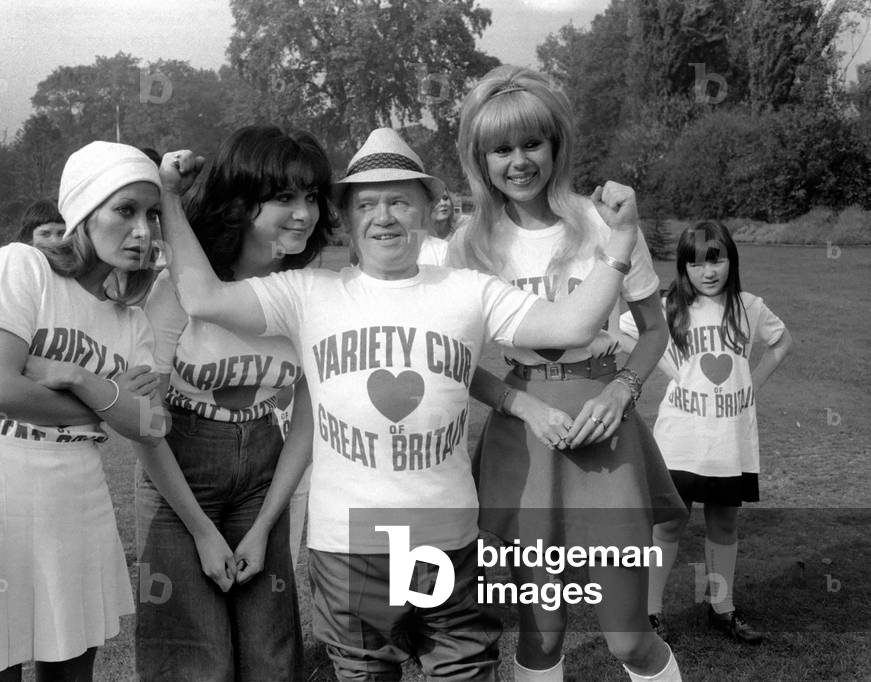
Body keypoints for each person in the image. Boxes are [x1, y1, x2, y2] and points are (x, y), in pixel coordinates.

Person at [158, 126, 642, 681]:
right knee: (365, 674)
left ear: (430, 209)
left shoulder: (468, 290)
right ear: (344, 216)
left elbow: (573, 323)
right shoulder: (307, 292)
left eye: (399, 201)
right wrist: (171, 199)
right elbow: (202, 296)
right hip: (349, 549)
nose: (383, 217)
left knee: (463, 671)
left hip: (447, 541)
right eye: (366, 203)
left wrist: (621, 242)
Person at [450, 65, 686, 682]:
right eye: (501, 148)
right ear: (481, 159)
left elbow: (654, 330)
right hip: (526, 437)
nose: (519, 161)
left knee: (628, 637)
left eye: (532, 143)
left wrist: (622, 389)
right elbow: (456, 362)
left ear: (556, 144)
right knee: (541, 633)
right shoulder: (469, 244)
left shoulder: (607, 223)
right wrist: (519, 405)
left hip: (607, 433)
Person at [0, 141, 169, 681]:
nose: (144, 231)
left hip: (78, 499)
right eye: (126, 210)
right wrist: (108, 404)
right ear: (84, 212)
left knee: (70, 668)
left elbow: (154, 427)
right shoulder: (23, 267)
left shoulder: (130, 321)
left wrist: (78, 378)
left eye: (152, 214)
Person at [132, 125, 334, 680]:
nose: (304, 213)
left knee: (271, 654)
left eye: (311, 197)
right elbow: (145, 423)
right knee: (196, 656)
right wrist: (200, 531)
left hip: (264, 467)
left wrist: (266, 524)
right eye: (284, 197)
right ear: (243, 206)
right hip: (179, 467)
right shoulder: (180, 288)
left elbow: (307, 421)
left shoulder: (311, 291)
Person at [620, 222, 792, 644]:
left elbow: (782, 341)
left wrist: (751, 384)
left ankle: (722, 608)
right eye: (695, 262)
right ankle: (651, 612)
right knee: (668, 525)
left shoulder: (748, 307)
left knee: (724, 524)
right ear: (684, 268)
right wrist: (668, 369)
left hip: (729, 440)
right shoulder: (671, 305)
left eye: (716, 258)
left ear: (731, 259)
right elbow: (622, 331)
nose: (707, 271)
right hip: (681, 439)